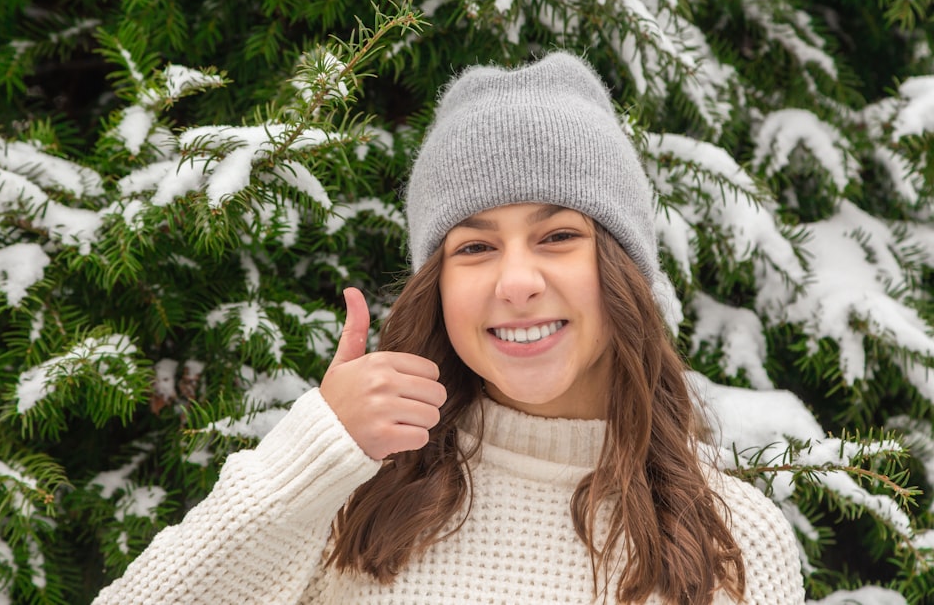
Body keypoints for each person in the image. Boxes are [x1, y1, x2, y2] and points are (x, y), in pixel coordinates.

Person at [93, 52, 805, 604]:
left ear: (622, 270)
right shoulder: (349, 499)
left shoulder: (736, 541)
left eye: (558, 235)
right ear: (438, 289)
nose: (516, 281)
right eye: (474, 246)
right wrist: (307, 458)